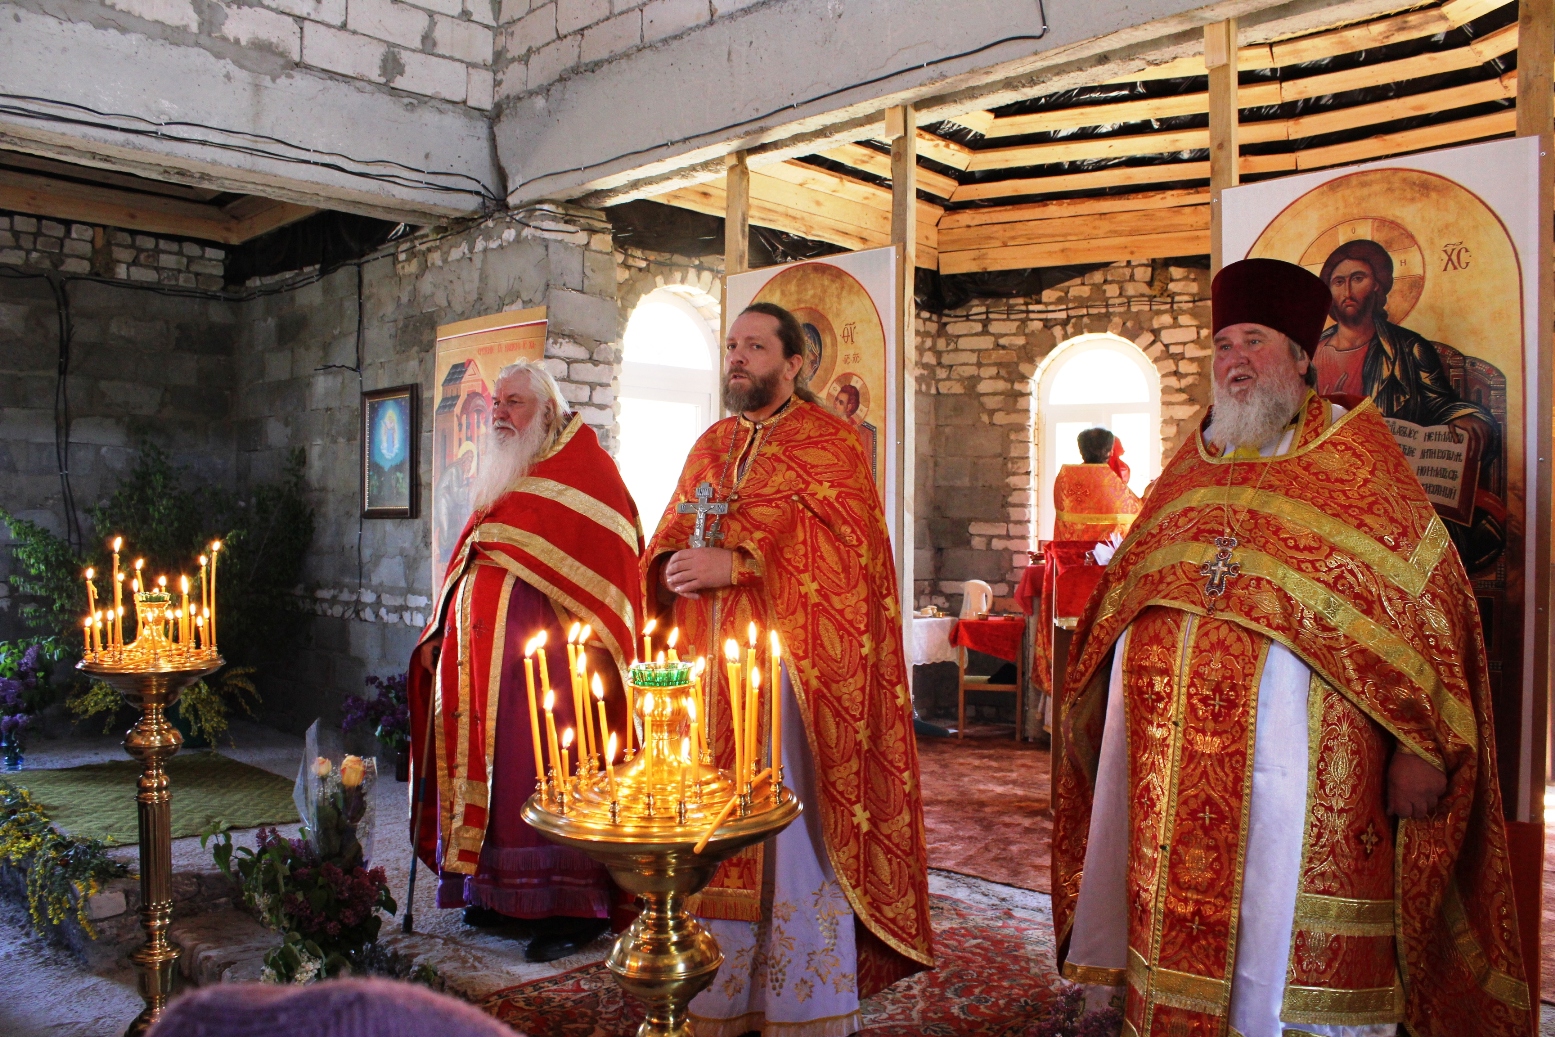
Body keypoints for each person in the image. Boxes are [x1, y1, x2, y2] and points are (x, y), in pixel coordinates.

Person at [1052, 258, 1530, 1037]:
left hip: (1303, 770)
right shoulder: (1190, 462)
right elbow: (1127, 589)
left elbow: (1423, 610)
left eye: (1253, 340)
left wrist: (1421, 744)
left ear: (1302, 355)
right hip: (1168, 767)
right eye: (1222, 345)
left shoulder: (1354, 456)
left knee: (1277, 939)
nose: (1233, 360)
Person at [646, 301, 933, 1035]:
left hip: (787, 678)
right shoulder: (711, 444)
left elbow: (848, 563)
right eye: (731, 346)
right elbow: (674, 527)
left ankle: (802, 1001)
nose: (737, 358)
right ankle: (719, 993)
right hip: (705, 674)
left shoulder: (830, 443)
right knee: (710, 825)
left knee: (786, 831)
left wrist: (740, 562)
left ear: (794, 361)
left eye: (754, 346)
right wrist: (671, 564)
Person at [407, 360, 644, 963]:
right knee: (495, 768)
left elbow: (612, 569)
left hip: (554, 677)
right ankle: (493, 894)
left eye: (514, 403)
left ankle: (572, 907)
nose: (500, 414)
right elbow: (474, 554)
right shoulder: (505, 476)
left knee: (544, 773)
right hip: (482, 667)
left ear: (548, 409)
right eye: (497, 404)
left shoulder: (586, 471)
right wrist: (441, 629)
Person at [1051, 427, 1143, 541]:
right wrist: (1149, 494)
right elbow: (1138, 513)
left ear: (1081, 450)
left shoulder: (1065, 477)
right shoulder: (1112, 484)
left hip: (1069, 553)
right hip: (1105, 555)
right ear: (1110, 451)